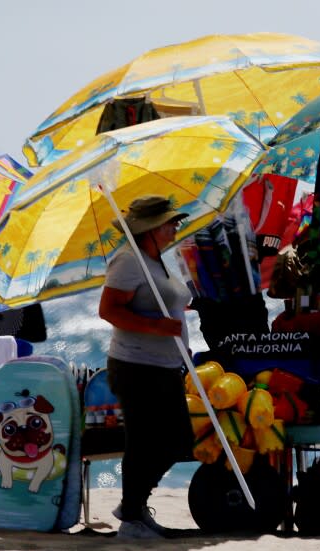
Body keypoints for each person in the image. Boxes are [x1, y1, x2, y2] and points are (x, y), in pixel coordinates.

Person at [98, 195, 195, 539]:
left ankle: (133, 506)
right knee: (146, 441)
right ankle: (132, 516)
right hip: (137, 366)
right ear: (150, 229)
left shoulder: (157, 261)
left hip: (166, 365)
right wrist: (156, 327)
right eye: (170, 222)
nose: (175, 227)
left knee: (179, 440)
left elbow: (167, 305)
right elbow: (109, 310)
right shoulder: (129, 262)